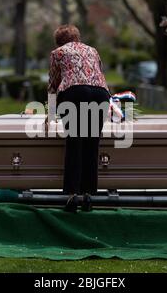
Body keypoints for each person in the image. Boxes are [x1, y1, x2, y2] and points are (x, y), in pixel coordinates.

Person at [48, 25, 110, 212]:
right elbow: (99, 74)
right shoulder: (93, 50)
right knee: (92, 142)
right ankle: (89, 195)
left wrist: (50, 115)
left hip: (74, 92)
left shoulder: (58, 53)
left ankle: (72, 195)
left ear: (59, 41)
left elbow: (53, 84)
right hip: (100, 94)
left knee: (75, 141)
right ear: (78, 37)